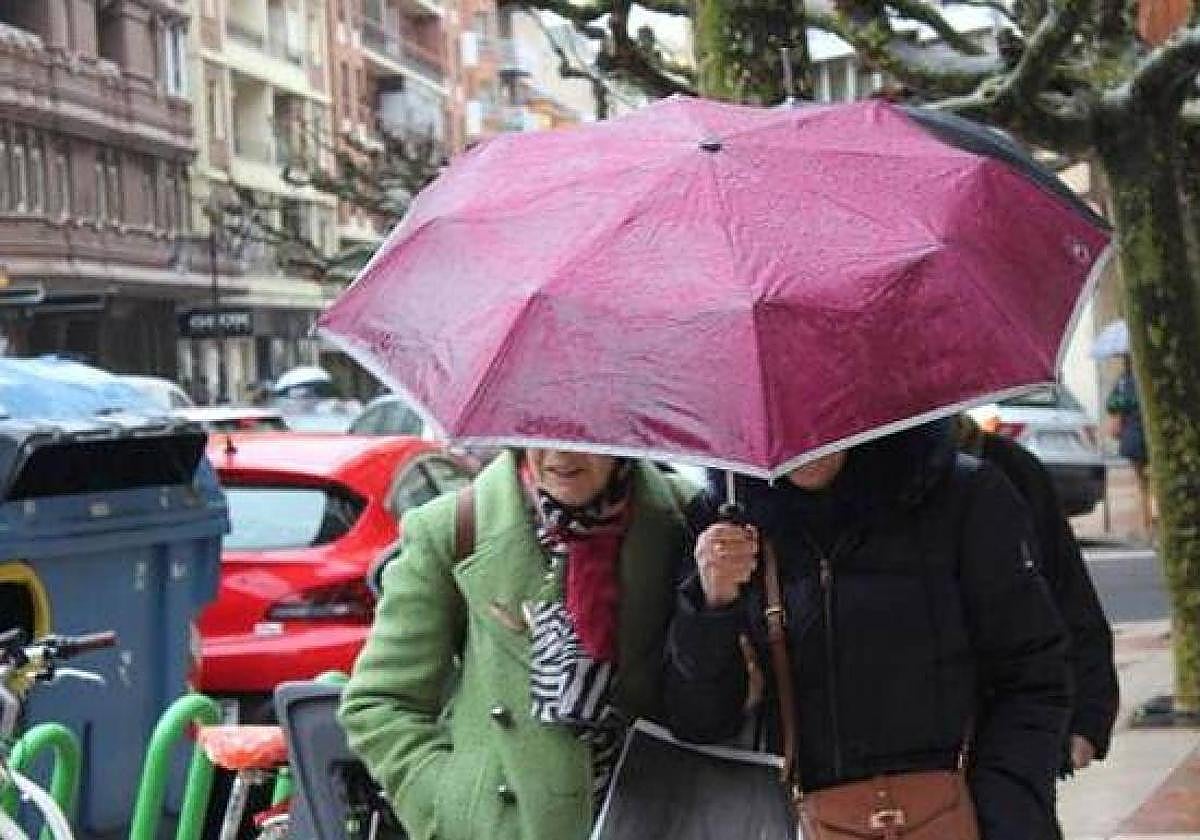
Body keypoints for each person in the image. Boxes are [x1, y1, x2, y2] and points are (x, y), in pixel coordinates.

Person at [663, 420, 1071, 840]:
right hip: (804, 825)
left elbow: (1031, 677)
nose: (805, 437)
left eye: (820, 410)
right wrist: (711, 607)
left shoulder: (963, 497)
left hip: (960, 820)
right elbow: (701, 724)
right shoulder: (722, 527)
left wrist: (1000, 818)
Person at [339, 448, 696, 840]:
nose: (560, 454)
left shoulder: (685, 520)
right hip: (504, 825)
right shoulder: (454, 527)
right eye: (541, 433)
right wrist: (452, 806)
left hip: (652, 817)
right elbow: (380, 702)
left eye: (578, 435)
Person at [955, 415, 1119, 773]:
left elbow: (1067, 590)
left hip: (1009, 730)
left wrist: (1088, 713)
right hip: (893, 758)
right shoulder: (850, 481)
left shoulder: (1007, 468)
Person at [1106, 356, 1154, 539]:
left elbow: (1112, 405)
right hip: (1150, 432)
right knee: (1152, 481)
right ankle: (1152, 520)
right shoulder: (1152, 375)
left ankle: (1147, 523)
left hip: (1133, 434)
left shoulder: (1124, 381)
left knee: (1142, 483)